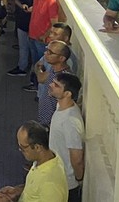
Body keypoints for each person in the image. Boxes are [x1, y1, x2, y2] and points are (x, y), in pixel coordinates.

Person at [0, 121, 68, 202]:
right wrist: (18, 191)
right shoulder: (44, 160)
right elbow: (36, 187)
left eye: (23, 148)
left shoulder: (51, 185)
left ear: (37, 147)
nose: (20, 150)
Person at [48, 72, 84, 202]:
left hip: (66, 183)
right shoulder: (61, 106)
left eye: (56, 85)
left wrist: (78, 180)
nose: (51, 85)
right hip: (57, 177)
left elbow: (77, 158)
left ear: (68, 94)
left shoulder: (70, 121)